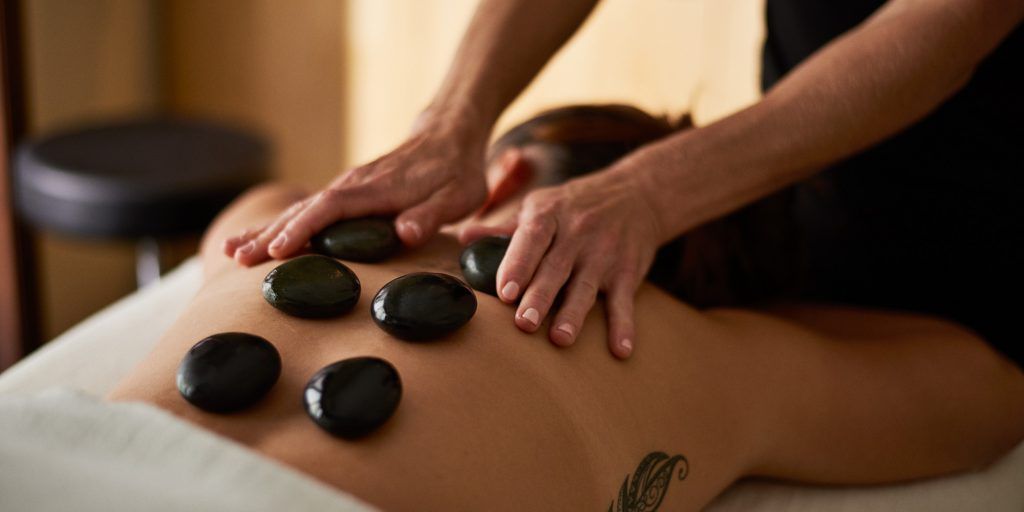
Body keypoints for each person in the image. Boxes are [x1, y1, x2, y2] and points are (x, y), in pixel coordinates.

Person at [112, 107, 1024, 511]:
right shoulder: (684, 353)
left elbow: (262, 195)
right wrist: (761, 320)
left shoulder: (287, 226)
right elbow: (987, 390)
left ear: (505, 175)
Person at [223, 0, 1024, 365]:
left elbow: (963, 15)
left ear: (516, 179)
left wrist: (654, 189)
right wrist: (448, 122)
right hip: (797, 205)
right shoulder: (725, 364)